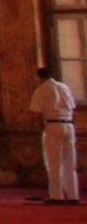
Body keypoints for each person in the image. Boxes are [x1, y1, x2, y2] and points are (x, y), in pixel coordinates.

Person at [32, 65, 80, 204]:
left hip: (52, 125)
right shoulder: (64, 87)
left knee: (53, 162)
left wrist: (42, 130)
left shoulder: (41, 90)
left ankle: (56, 196)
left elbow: (37, 113)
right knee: (69, 163)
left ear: (39, 77)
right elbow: (73, 108)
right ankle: (73, 196)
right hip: (68, 125)